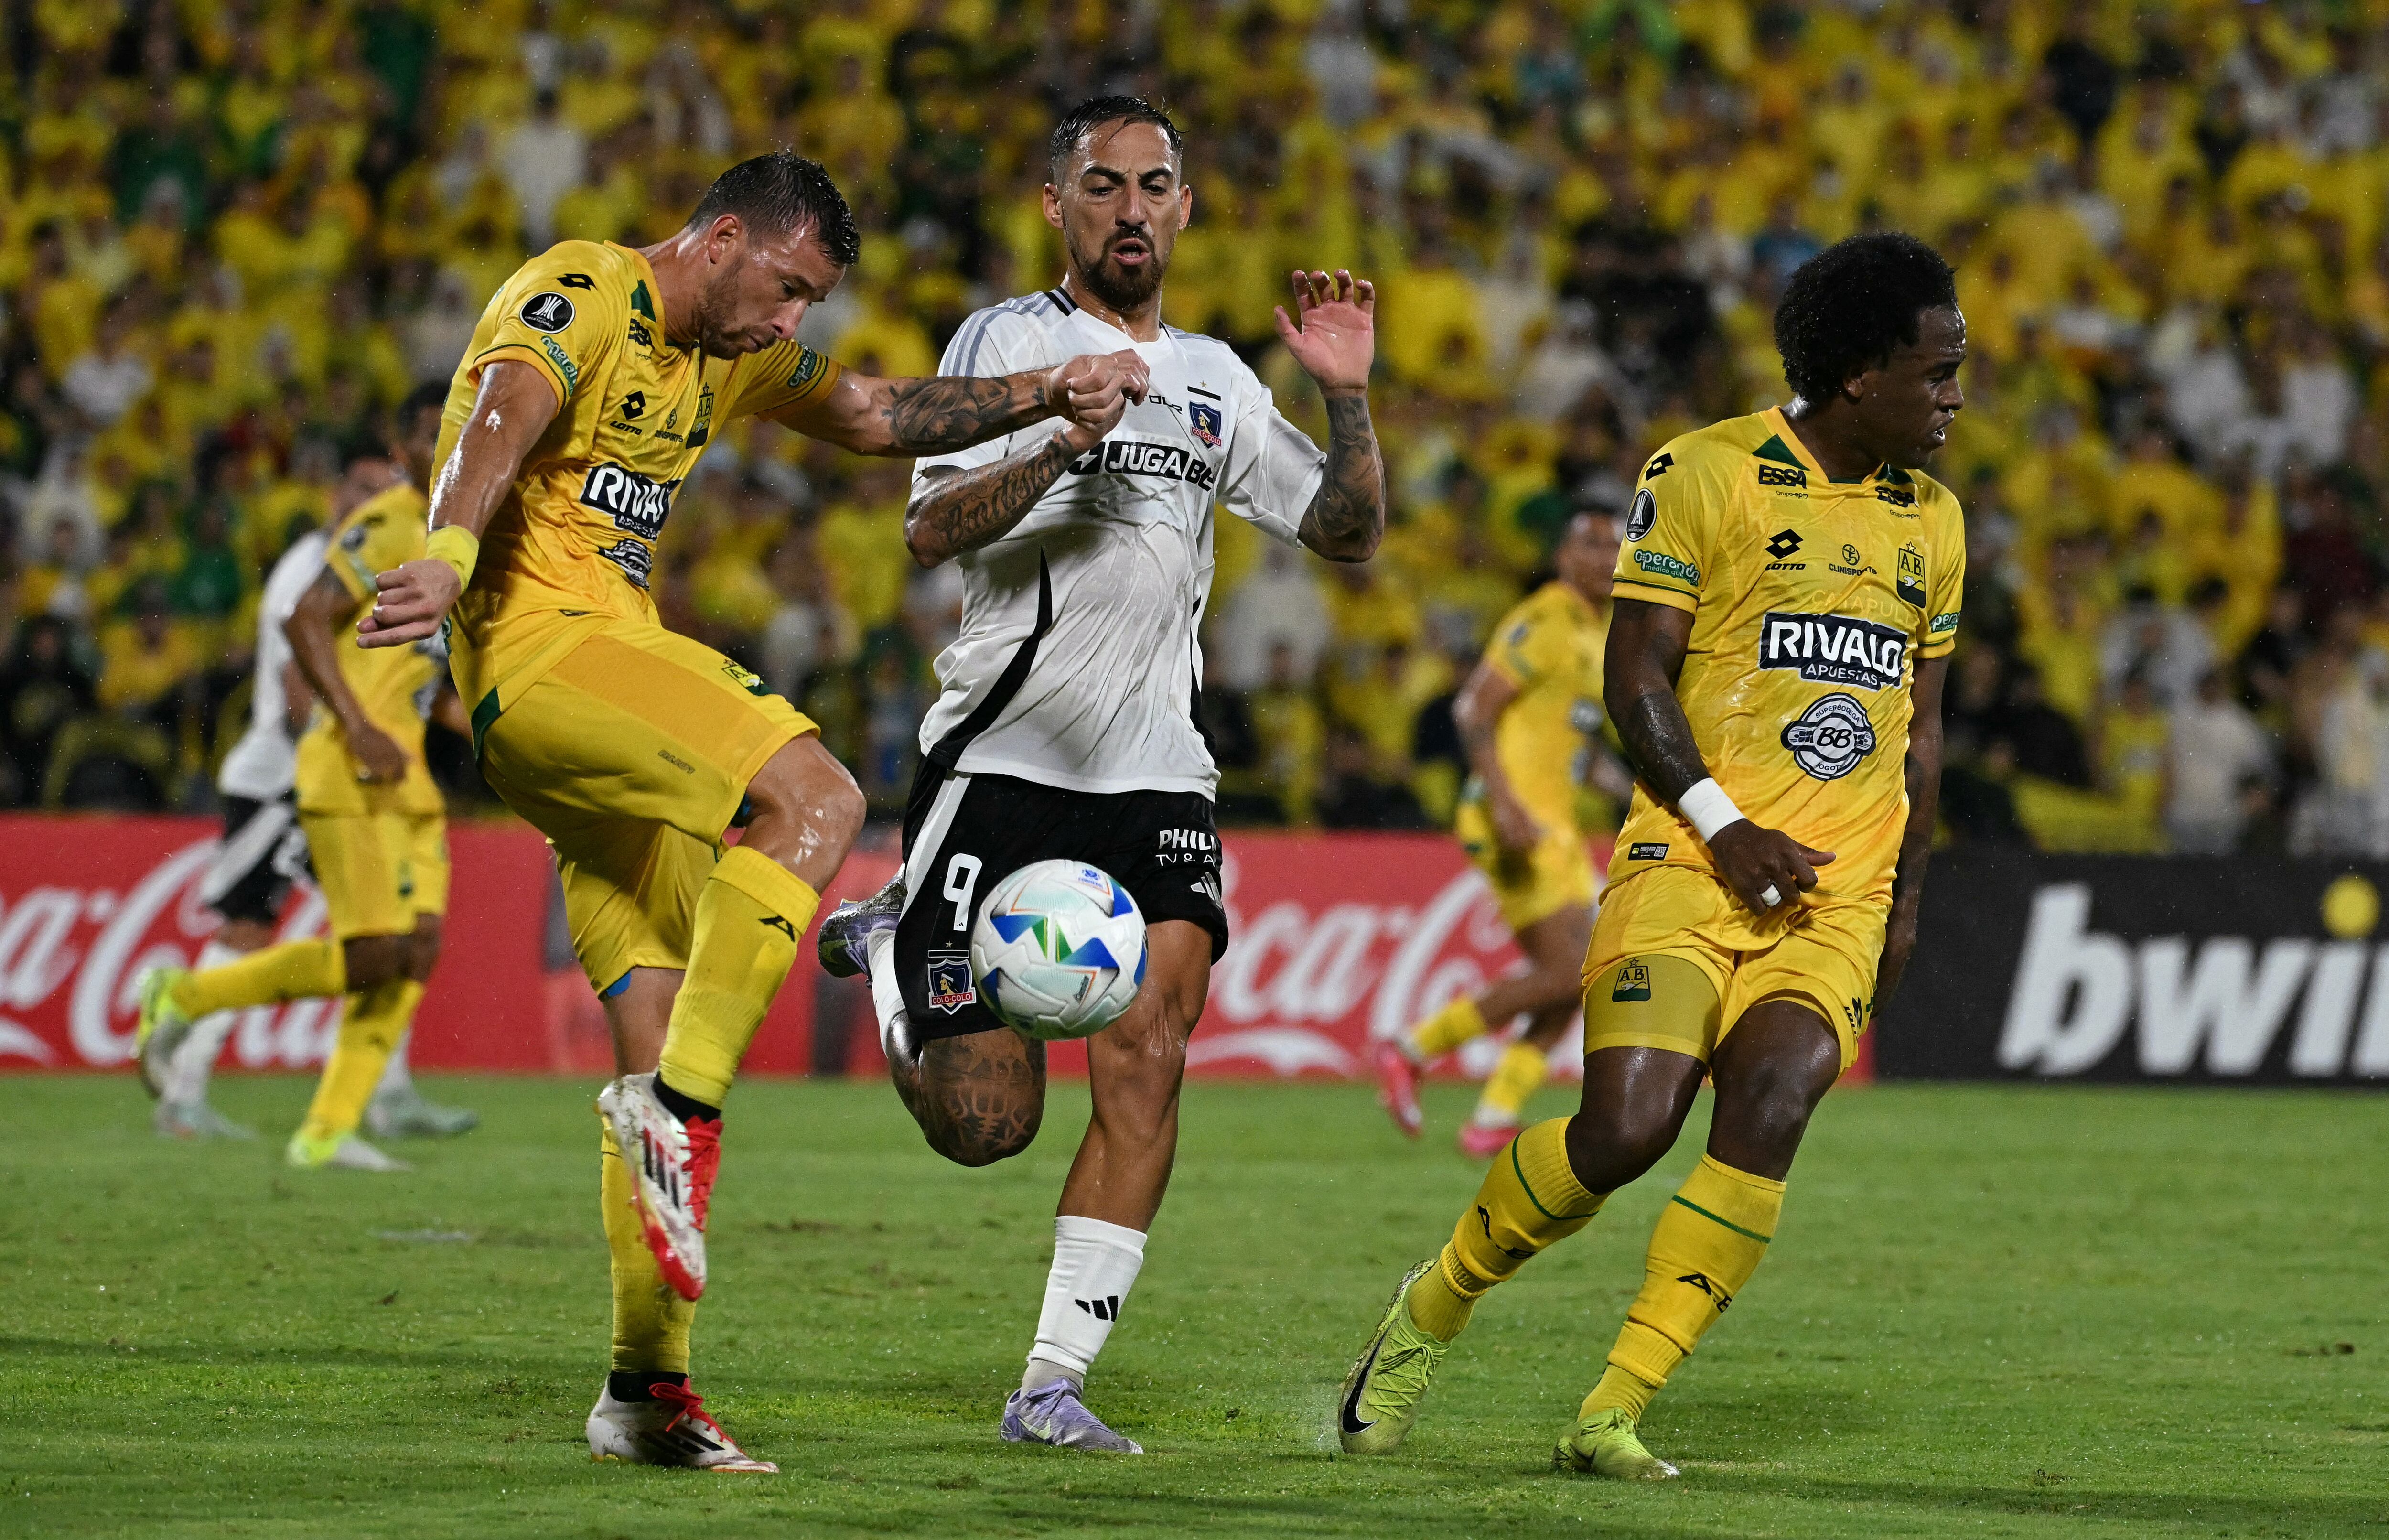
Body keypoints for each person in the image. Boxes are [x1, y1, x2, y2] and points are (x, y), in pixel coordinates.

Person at [352, 151, 1143, 1473]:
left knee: (654, 1018)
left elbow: (888, 413)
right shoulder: (584, 291)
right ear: (722, 237)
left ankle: (644, 1392)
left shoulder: (739, 357)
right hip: (545, 654)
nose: (792, 324)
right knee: (819, 798)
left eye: (808, 305)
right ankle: (683, 1112)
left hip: (583, 725)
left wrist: (1051, 393)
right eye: (785, 287)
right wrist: (442, 551)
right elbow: (499, 417)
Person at [1335, 232, 1966, 1479]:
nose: (1955, 396)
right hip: (1693, 858)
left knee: (1772, 1104)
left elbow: (1923, 738)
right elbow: (1635, 682)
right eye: (1936, 372)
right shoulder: (1708, 473)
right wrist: (1727, 831)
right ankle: (1433, 1306)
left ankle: (1610, 1411)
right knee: (1627, 1128)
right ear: (1857, 378)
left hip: (1838, 894)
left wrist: (1902, 914)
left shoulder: (1934, 524)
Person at [815, 97, 1386, 1454]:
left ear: (1187, 209)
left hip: (1159, 777)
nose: (1132, 208)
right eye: (1103, 184)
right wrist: (1064, 433)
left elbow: (1346, 531)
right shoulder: (1011, 343)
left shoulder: (1216, 380)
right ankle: (904, 952)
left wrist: (1349, 394)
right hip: (1001, 760)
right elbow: (931, 528)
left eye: (1156, 185)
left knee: (1150, 1052)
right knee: (984, 1124)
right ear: (1056, 205)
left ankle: (1052, 1383)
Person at [136, 403, 476, 1147]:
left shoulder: (420, 542)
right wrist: (355, 734)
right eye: (355, 489)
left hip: (364, 772)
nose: (367, 501)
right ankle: (183, 1089)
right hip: (283, 775)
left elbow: (416, 676)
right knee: (259, 927)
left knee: (404, 941)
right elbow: (299, 689)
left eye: (375, 486)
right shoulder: (316, 565)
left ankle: (379, 1096)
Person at [1375, 510, 1627, 1155]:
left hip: (1557, 821)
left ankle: (1493, 1116)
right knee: (1568, 969)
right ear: (1563, 556)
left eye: (1616, 545)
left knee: (1584, 973)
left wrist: (1640, 791)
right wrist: (1508, 804)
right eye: (1591, 544)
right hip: (1514, 816)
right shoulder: (1543, 619)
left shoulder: (1596, 635)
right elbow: (1473, 708)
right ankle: (1411, 1049)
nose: (1606, 556)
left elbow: (1577, 743)